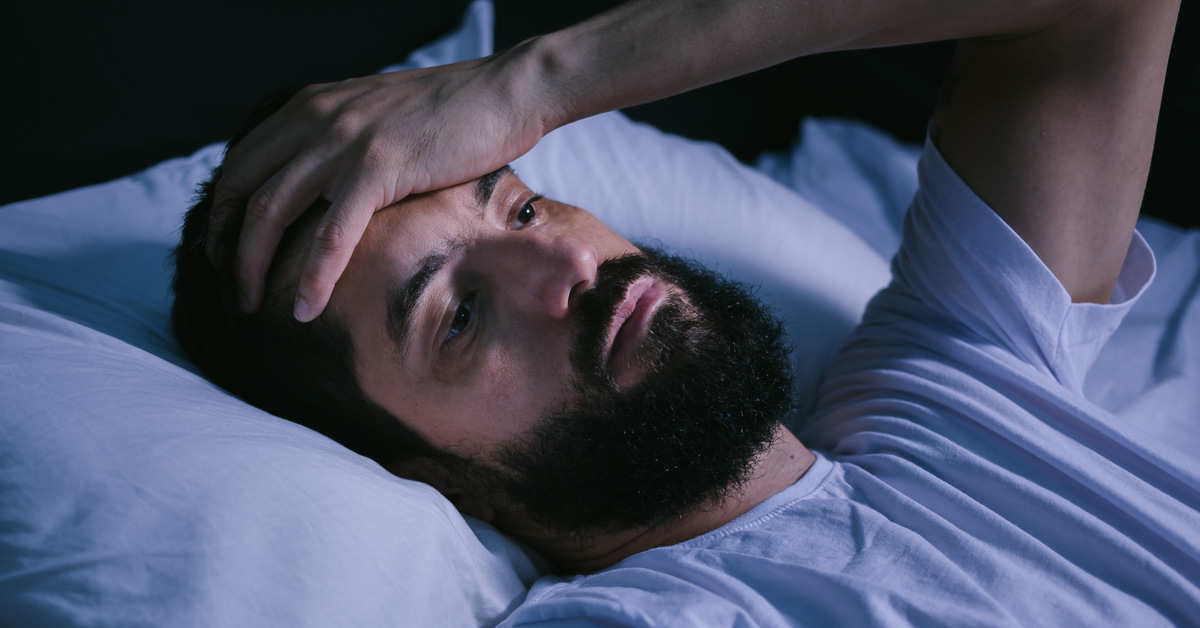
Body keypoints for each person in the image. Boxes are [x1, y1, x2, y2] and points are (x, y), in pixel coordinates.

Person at [173, 0, 1200, 623]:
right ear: (430, 477)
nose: (566, 263)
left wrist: (532, 80)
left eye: (523, 205)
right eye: (459, 317)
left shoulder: (957, 373)